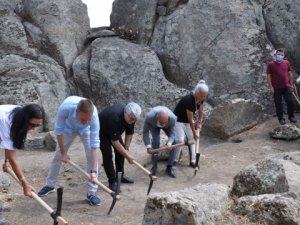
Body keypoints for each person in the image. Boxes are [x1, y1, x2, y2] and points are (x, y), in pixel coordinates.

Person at [38, 96, 101, 206]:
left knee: (91, 157)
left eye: (88, 119)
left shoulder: (94, 116)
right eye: (83, 119)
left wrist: (93, 172)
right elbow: (58, 132)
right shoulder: (65, 108)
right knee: (57, 156)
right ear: (77, 112)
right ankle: (50, 185)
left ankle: (91, 193)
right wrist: (63, 153)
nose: (86, 121)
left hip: (85, 131)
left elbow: (95, 145)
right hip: (68, 129)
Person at [0, 104, 44, 225]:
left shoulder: (19, 115)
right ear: (25, 120)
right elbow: (13, 157)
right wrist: (25, 184)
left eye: (37, 125)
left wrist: (5, 162)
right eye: (32, 125)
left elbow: (8, 141)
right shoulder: (4, 120)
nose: (33, 128)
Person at [99, 102, 141, 192]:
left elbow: (129, 132)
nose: (133, 121)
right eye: (131, 118)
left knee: (121, 152)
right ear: (125, 112)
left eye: (134, 119)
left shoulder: (132, 117)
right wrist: (127, 155)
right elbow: (115, 142)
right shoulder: (115, 118)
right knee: (108, 154)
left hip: (114, 131)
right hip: (101, 131)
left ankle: (120, 176)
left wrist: (126, 149)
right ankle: (112, 181)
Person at [173, 80, 208, 167]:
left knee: (192, 140)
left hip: (187, 122)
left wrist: (200, 121)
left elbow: (201, 110)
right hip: (178, 121)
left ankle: (193, 161)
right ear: (196, 92)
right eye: (201, 96)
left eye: (204, 96)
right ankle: (174, 160)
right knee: (180, 140)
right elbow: (191, 120)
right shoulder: (189, 100)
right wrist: (194, 133)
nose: (202, 98)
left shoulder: (201, 99)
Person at [143, 106, 177, 178]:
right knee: (155, 142)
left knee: (175, 142)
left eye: (164, 122)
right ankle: (154, 168)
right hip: (154, 125)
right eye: (161, 123)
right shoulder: (150, 117)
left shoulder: (172, 119)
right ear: (157, 117)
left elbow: (172, 134)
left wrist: (169, 143)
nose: (162, 125)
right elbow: (145, 132)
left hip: (167, 125)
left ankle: (169, 167)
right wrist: (148, 147)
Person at [267, 48, 297, 125]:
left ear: (283, 56)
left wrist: (291, 84)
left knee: (290, 102)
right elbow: (268, 76)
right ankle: (281, 119)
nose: (280, 56)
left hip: (287, 86)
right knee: (278, 104)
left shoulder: (286, 62)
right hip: (276, 88)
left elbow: (290, 73)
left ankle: (291, 117)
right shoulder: (271, 64)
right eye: (278, 54)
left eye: (282, 55)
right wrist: (271, 87)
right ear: (275, 55)